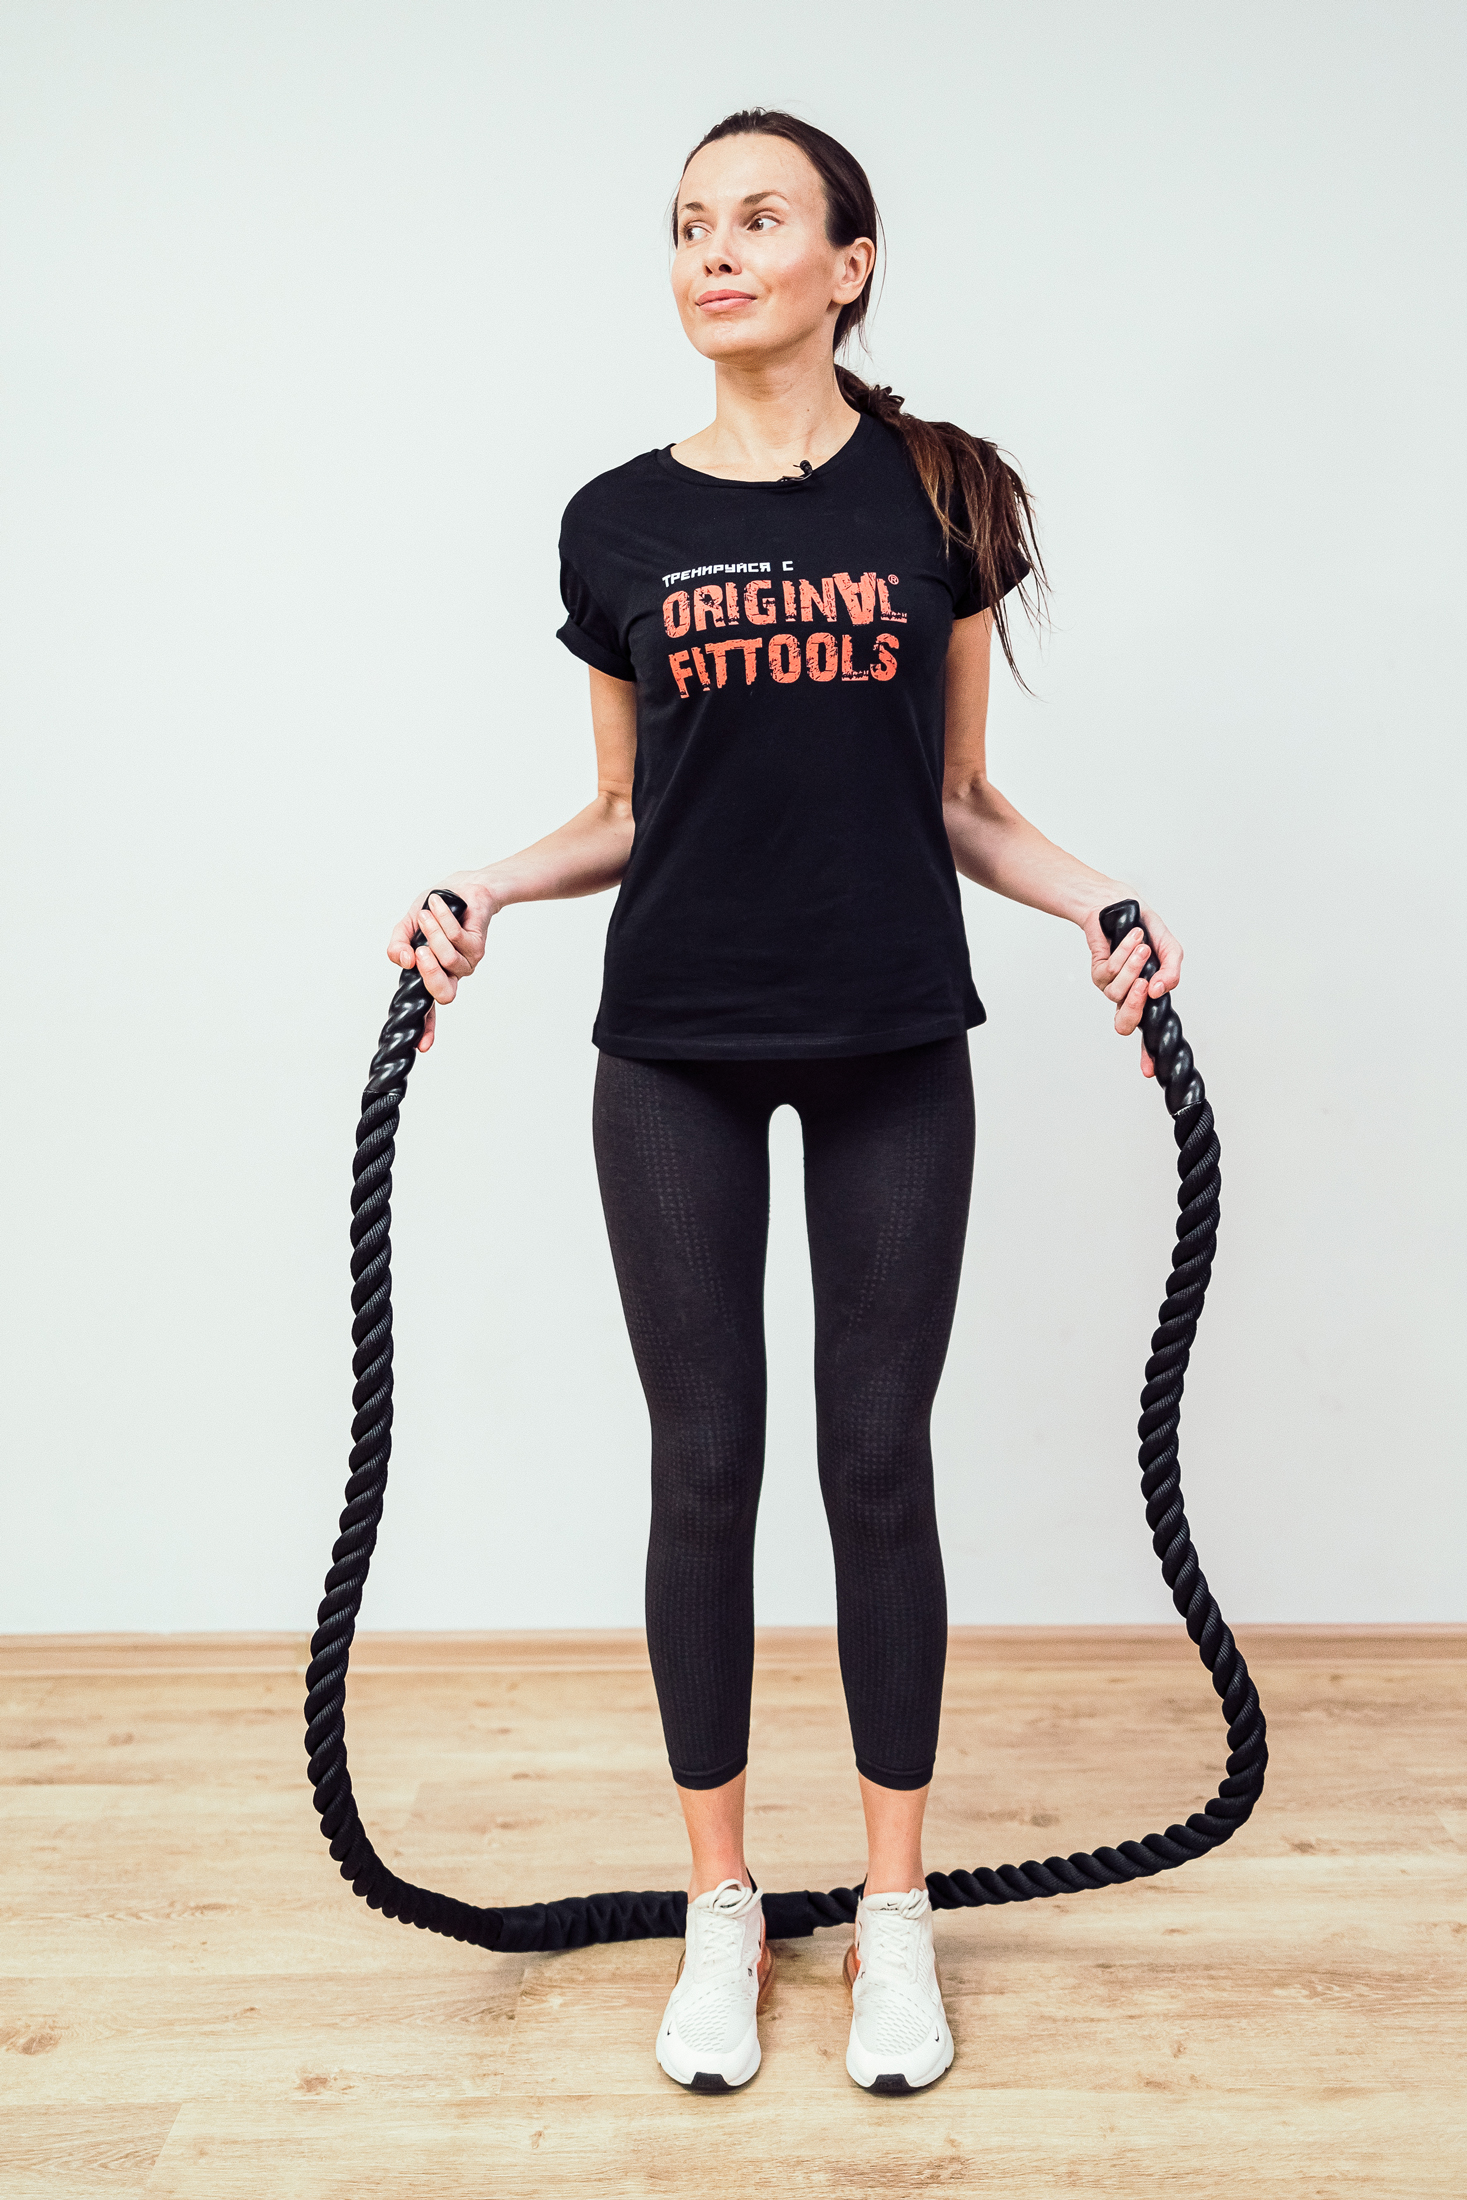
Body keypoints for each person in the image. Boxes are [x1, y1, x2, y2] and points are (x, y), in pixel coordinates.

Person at [388, 108, 1181, 2097]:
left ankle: (893, 1918)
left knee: (877, 1463)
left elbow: (962, 800)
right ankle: (722, 1908)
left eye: (758, 219)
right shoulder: (614, 523)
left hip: (893, 1033)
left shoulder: (938, 500)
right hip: (672, 1043)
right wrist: (484, 885)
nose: (714, 251)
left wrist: (1101, 900)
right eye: (687, 224)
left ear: (849, 263)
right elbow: (622, 809)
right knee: (704, 1466)